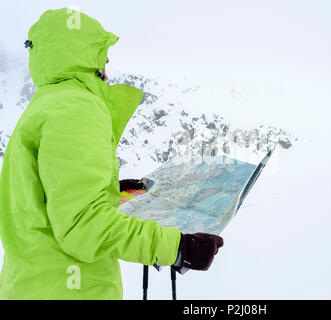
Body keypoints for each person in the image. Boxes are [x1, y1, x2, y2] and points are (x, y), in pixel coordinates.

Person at [0, 8, 223, 300]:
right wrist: (179, 248)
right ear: (78, 53)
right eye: (100, 49)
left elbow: (44, 198)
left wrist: (107, 190)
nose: (107, 59)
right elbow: (83, 225)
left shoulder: (46, 105)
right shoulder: (75, 109)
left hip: (34, 283)